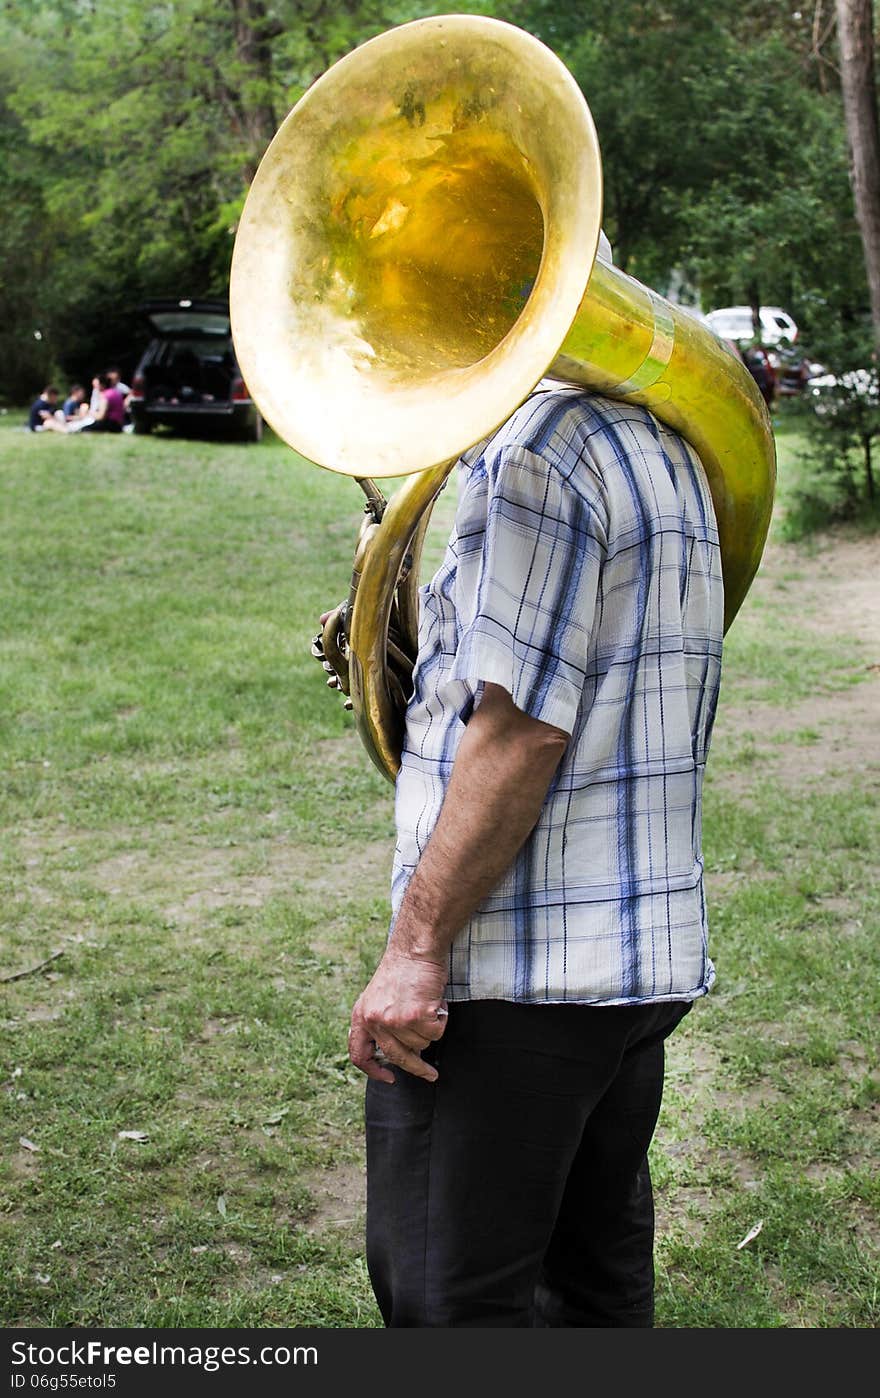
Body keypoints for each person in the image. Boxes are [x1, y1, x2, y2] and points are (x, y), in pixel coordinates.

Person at [343, 254, 724, 1328]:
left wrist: (415, 949)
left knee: (450, 1304)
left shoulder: (533, 454)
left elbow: (516, 735)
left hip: (515, 975)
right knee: (593, 1294)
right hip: (630, 961)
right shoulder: (665, 440)